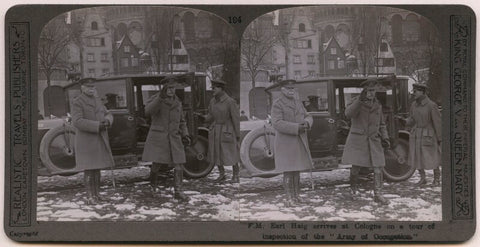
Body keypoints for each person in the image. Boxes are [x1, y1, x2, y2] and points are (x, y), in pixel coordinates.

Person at [341, 78, 390, 205]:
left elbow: (382, 124)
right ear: (364, 91)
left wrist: (385, 137)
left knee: (378, 167)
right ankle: (353, 190)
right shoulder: (356, 102)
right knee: (356, 167)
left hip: (374, 140)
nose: (371, 93)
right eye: (368, 90)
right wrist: (360, 100)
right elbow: (348, 114)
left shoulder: (377, 105)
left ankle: (378, 194)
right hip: (358, 140)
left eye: (373, 90)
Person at [142, 78, 191, 201]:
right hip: (159, 138)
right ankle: (152, 188)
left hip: (174, 137)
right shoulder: (156, 99)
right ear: (163, 88)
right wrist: (160, 98)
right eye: (168, 88)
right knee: (157, 164)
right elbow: (148, 112)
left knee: (179, 164)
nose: (171, 90)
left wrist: (185, 134)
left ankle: (178, 191)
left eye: (173, 88)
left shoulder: (178, 102)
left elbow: (182, 121)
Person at [71, 78, 114, 205]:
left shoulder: (97, 100)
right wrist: (97, 126)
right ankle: (90, 197)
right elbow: (77, 121)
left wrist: (108, 120)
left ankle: (97, 195)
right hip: (86, 141)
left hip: (99, 139)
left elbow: (108, 113)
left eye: (93, 87)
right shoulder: (77, 102)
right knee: (89, 169)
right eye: (88, 87)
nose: (91, 89)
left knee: (97, 169)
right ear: (82, 88)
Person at [271, 80, 313, 207]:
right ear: (282, 90)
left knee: (296, 170)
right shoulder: (277, 104)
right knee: (288, 171)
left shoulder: (298, 102)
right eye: (288, 88)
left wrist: (307, 122)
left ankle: (297, 197)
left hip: (298, 141)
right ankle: (289, 198)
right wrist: (296, 128)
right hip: (286, 142)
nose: (291, 91)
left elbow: (308, 115)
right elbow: (277, 123)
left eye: (293, 88)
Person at [197, 80, 240, 183]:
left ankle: (236, 175)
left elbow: (236, 119)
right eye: (212, 87)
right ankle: (222, 174)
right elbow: (211, 116)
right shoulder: (213, 101)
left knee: (231, 153)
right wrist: (202, 118)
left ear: (221, 89)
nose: (213, 90)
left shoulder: (230, 102)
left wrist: (237, 134)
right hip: (215, 130)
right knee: (216, 153)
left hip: (227, 130)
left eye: (215, 88)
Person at [404, 83, 442, 186]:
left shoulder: (431, 105)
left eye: (416, 91)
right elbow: (412, 119)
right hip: (416, 135)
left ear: (423, 92)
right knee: (417, 157)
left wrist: (440, 138)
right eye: (413, 91)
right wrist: (405, 121)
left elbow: (437, 123)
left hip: (428, 135)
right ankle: (423, 178)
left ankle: (437, 179)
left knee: (432, 157)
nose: (414, 93)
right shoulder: (414, 105)